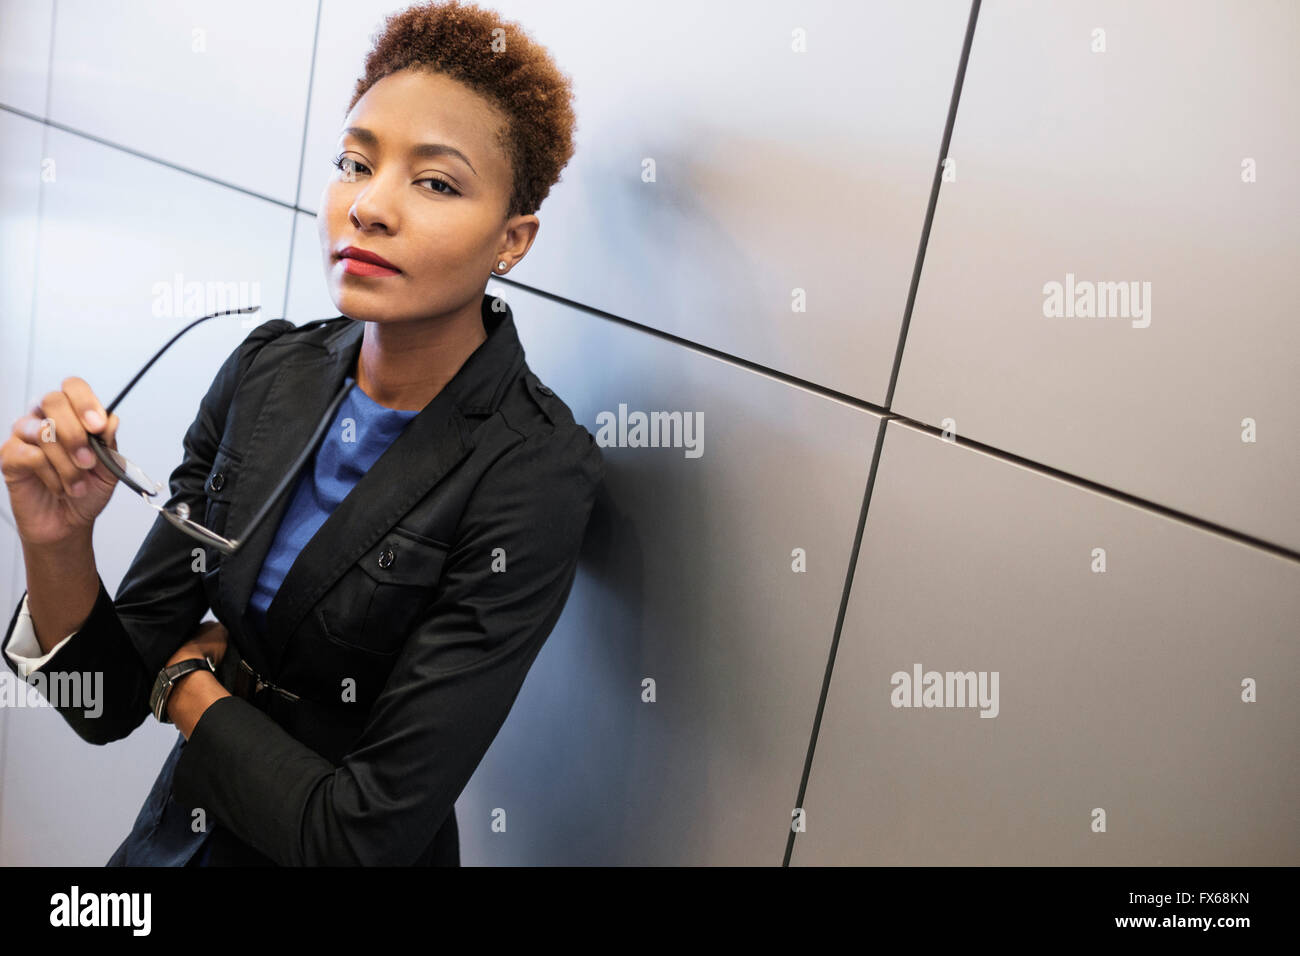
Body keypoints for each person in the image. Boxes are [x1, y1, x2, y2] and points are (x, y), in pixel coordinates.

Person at [0, 0, 603, 866]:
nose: (369, 207)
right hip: (180, 844)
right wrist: (54, 542)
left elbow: (359, 837)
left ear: (513, 240)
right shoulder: (267, 372)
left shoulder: (531, 470)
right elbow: (102, 704)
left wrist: (186, 686)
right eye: (355, 163)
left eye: (434, 182)